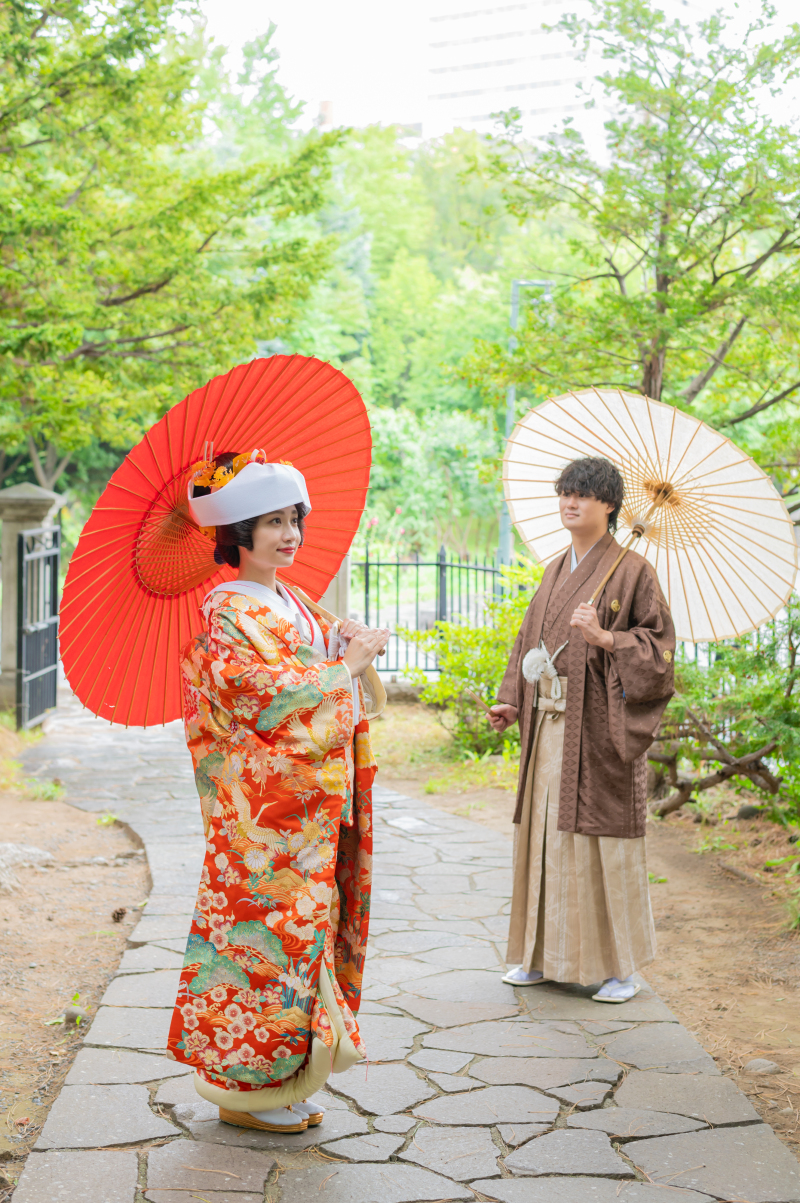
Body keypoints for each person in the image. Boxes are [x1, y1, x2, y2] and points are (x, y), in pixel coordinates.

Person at [166, 449, 389, 1130]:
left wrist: (345, 644)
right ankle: (247, 1095)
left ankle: (283, 1080)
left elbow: (320, 677)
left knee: (301, 941)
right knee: (259, 949)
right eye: (272, 522)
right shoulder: (226, 611)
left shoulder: (291, 600)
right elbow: (257, 700)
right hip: (263, 819)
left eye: (294, 518)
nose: (289, 533)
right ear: (238, 533)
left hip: (307, 814)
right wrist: (339, 668)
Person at [489, 457, 675, 1003]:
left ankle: (620, 970)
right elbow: (528, 643)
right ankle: (540, 957)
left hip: (596, 733)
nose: (571, 503)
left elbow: (660, 652)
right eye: (566, 492)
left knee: (599, 843)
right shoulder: (554, 569)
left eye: (585, 495)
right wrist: (510, 701)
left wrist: (607, 639)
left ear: (610, 506)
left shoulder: (634, 571)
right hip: (547, 730)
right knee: (546, 837)